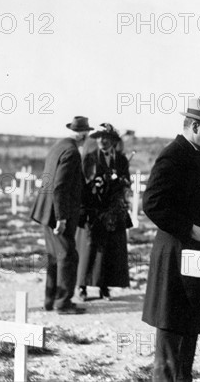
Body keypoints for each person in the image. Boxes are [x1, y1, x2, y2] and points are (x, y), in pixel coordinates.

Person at [142, 98, 200, 382]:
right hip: (176, 255)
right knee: (172, 329)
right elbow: (152, 202)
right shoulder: (174, 155)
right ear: (195, 125)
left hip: (191, 257)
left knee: (186, 328)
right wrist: (188, 228)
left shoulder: (196, 155)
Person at [30, 116, 93, 315]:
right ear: (83, 134)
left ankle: (50, 300)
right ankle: (63, 303)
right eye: (87, 133)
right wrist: (61, 217)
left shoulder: (58, 146)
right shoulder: (72, 152)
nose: (87, 137)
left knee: (54, 257)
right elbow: (60, 186)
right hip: (57, 214)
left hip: (45, 212)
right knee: (68, 256)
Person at [76, 123, 132, 301]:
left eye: (106, 138)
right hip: (93, 209)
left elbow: (126, 181)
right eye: (99, 137)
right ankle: (82, 287)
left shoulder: (121, 159)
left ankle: (104, 286)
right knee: (88, 248)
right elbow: (85, 184)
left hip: (112, 209)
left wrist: (121, 183)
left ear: (113, 141)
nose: (102, 140)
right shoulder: (90, 158)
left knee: (110, 248)